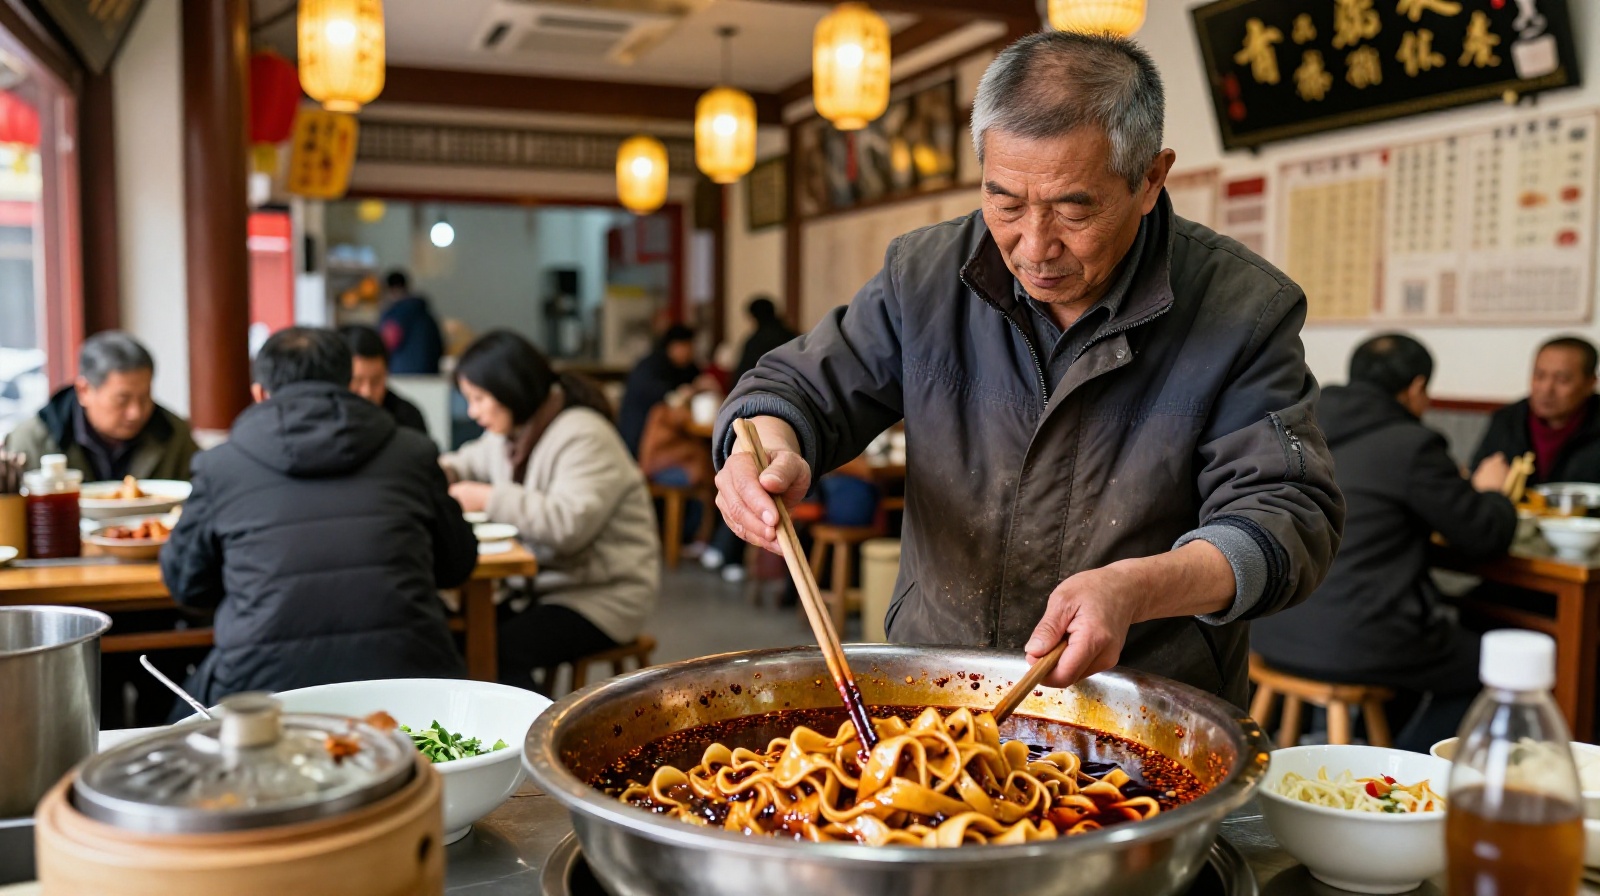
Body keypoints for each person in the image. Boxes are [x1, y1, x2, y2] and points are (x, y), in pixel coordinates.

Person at [712, 31, 1344, 708]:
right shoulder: (925, 275)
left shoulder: (1242, 307)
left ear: (1151, 179)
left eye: (1074, 208)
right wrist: (767, 443)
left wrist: (1138, 588)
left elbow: (1286, 517)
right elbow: (796, 388)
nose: (1034, 247)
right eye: (1006, 203)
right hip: (938, 692)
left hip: (1142, 707)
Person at [160, 327, 477, 711]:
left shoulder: (220, 466)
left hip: (263, 692)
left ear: (260, 393)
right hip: (409, 682)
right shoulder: (414, 453)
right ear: (348, 383)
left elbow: (187, 585)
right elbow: (457, 564)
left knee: (174, 721)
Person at [1252, 334, 1516, 751]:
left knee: (1422, 643)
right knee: (1502, 666)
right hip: (1356, 641)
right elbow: (1482, 534)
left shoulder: (1298, 425)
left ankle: (1379, 747)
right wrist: (1494, 493)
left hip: (1268, 626)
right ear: (1415, 388)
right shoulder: (1412, 445)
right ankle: (1408, 765)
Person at [440, 331, 659, 688]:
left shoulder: (584, 434)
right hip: (543, 590)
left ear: (510, 388)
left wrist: (486, 498)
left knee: (493, 651)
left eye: (479, 398)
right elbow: (465, 462)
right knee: (457, 638)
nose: (473, 412)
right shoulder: (510, 434)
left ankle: (535, 738)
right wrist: (431, 471)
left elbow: (567, 526)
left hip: (601, 597)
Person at [6, 330, 198, 481]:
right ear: (84, 391)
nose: (136, 413)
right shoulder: (31, 441)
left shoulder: (173, 434)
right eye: (122, 400)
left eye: (145, 397)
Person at [1471, 336, 1600, 486]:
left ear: (1590, 384)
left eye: (1562, 379)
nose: (1546, 389)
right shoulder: (1506, 420)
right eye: (1539, 376)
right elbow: (1477, 476)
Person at [617, 325, 700, 458]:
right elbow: (665, 397)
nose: (690, 352)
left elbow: (696, 381)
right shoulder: (651, 367)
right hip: (640, 439)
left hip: (663, 438)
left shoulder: (687, 367)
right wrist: (683, 393)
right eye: (687, 347)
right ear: (673, 346)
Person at [341, 324, 429, 434]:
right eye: (357, 381)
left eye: (376, 381)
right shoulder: (324, 421)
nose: (367, 392)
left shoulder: (407, 418)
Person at [377, 269, 445, 375]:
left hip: (401, 375)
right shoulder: (425, 313)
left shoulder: (394, 315)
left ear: (390, 290)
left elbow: (386, 344)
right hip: (430, 375)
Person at [732, 296, 798, 386]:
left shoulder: (755, 342)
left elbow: (742, 375)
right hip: (793, 390)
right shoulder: (792, 336)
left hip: (760, 391)